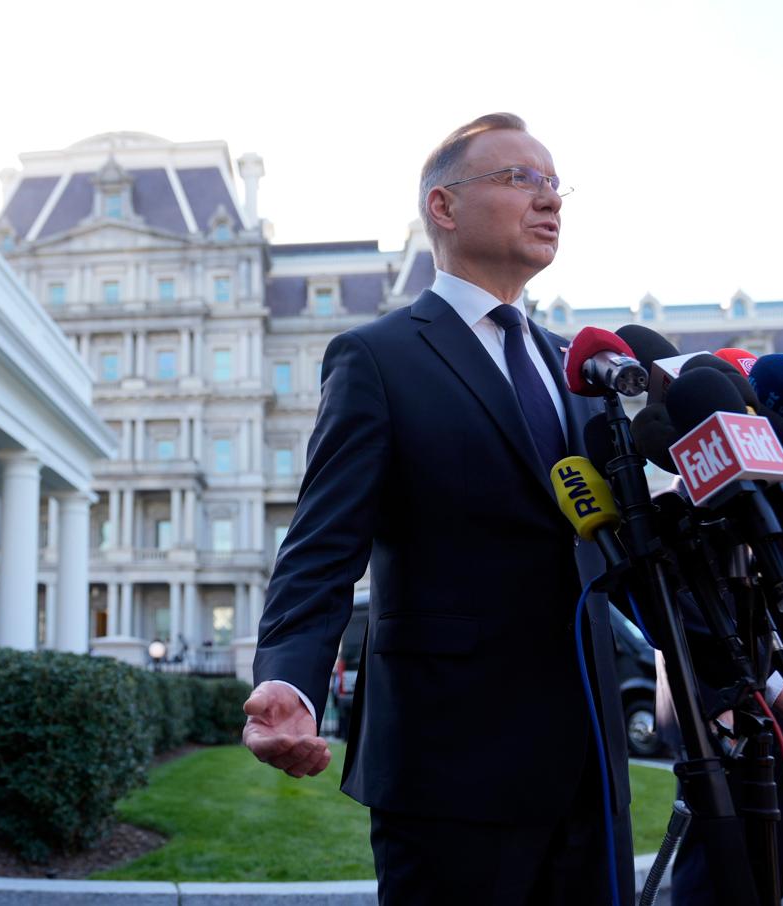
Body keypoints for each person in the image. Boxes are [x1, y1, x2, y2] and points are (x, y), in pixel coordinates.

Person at [242, 113, 634, 905]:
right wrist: (291, 680)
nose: (548, 198)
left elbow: (629, 554)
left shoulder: (583, 370)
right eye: (519, 178)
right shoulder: (378, 357)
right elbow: (322, 545)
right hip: (451, 768)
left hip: (591, 764)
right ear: (443, 208)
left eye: (555, 183)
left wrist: (760, 674)